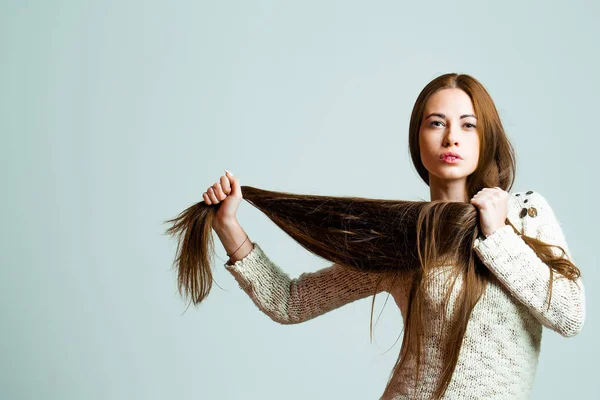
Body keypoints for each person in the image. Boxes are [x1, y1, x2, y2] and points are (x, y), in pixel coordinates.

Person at [200, 73, 585, 399]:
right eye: (437, 122)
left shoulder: (526, 213)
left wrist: (497, 236)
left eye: (468, 125)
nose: (452, 137)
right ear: (417, 139)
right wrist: (228, 226)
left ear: (486, 138)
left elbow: (570, 315)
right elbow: (290, 301)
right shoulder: (405, 237)